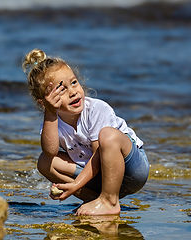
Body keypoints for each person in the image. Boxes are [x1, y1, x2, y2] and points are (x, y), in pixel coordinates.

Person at [22, 48, 149, 216]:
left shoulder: (96, 109)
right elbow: (50, 152)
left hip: (130, 169)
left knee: (107, 136)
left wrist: (76, 185)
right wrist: (51, 114)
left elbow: (98, 155)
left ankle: (109, 201)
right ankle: (94, 200)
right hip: (99, 176)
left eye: (74, 83)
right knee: (44, 162)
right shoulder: (51, 121)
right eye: (61, 90)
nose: (73, 92)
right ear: (44, 103)